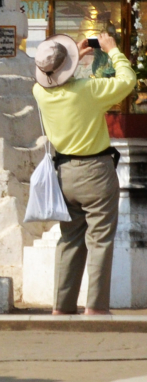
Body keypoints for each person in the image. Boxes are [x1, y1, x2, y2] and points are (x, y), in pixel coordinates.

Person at [29, 32, 134, 316]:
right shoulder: (88, 89)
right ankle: (96, 306)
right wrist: (113, 51)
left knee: (69, 239)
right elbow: (127, 81)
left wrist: (71, 57)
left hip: (63, 173)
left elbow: (51, 76)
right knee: (99, 239)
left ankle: (62, 307)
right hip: (95, 171)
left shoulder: (40, 92)